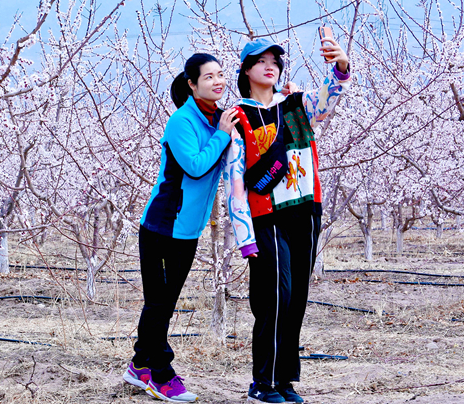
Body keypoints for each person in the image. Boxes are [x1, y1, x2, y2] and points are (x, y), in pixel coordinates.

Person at [225, 35, 351, 404]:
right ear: (245, 70)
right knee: (274, 297)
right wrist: (244, 235)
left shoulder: (296, 104)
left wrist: (340, 67)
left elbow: (326, 101)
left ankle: (284, 381)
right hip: (267, 216)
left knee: (295, 299)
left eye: (275, 61)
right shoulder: (238, 117)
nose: (270, 67)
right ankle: (262, 382)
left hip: (306, 211)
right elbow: (235, 181)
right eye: (260, 61)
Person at [124, 52, 239, 402]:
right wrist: (222, 135)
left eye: (220, 74)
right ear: (192, 84)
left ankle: (139, 365)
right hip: (162, 226)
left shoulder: (218, 118)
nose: (218, 81)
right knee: (159, 303)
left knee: (164, 301)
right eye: (208, 77)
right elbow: (195, 166)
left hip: (187, 229)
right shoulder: (182, 121)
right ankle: (160, 373)